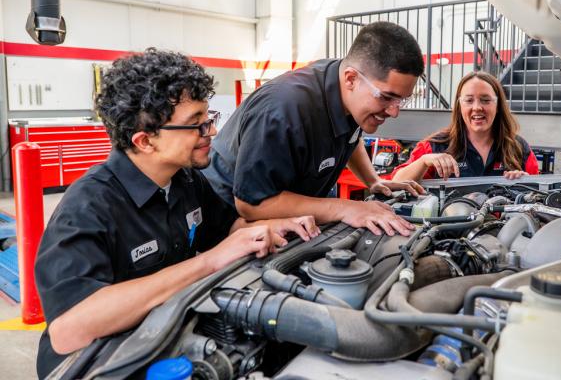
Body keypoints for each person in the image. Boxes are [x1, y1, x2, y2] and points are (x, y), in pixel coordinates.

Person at [34, 49, 318, 378]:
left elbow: (229, 227)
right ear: (145, 141)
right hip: (100, 363)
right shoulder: (87, 207)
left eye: (208, 118)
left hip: (162, 335)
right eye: (195, 125)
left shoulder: (185, 179)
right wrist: (209, 261)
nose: (210, 132)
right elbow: (70, 330)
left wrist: (274, 224)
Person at [202, 22, 426, 237]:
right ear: (351, 79)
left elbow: (350, 135)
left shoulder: (347, 90)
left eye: (402, 100)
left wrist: (373, 181)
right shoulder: (283, 110)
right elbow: (253, 203)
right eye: (387, 97)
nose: (395, 112)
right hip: (226, 222)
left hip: (290, 211)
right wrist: (346, 208)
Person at [392, 71, 539, 182]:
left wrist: (526, 182)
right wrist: (423, 162)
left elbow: (538, 196)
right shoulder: (435, 146)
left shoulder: (519, 148)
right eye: (469, 100)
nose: (477, 107)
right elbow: (396, 182)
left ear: (498, 105)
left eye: (485, 100)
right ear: (459, 105)